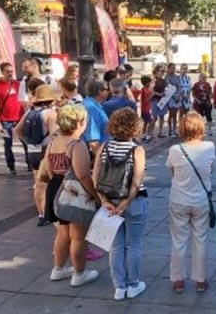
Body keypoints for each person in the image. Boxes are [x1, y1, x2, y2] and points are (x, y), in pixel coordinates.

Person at [36, 104, 100, 287]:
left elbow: (48, 170)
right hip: (74, 193)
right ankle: (80, 273)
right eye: (85, 120)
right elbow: (83, 175)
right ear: (79, 122)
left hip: (55, 189)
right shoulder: (76, 144)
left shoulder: (53, 142)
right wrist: (95, 195)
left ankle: (58, 268)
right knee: (78, 237)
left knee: (63, 234)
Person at [92, 108, 148, 300]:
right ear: (135, 128)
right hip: (134, 201)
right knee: (133, 245)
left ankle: (119, 287)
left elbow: (95, 177)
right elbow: (136, 181)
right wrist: (125, 203)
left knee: (116, 246)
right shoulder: (137, 150)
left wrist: (104, 201)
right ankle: (133, 284)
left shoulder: (105, 147)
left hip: (110, 199)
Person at [166, 112, 216, 293]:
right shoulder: (209, 147)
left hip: (179, 198)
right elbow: (210, 169)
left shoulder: (175, 150)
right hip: (201, 199)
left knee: (178, 240)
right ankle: (200, 280)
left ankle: (178, 280)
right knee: (200, 239)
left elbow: (172, 171)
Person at [15, 84, 59, 226]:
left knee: (38, 184)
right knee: (49, 182)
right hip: (45, 150)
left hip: (32, 151)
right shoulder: (50, 114)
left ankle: (41, 213)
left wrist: (28, 142)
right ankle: (49, 212)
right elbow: (54, 136)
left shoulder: (29, 112)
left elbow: (17, 130)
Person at [0, 63, 26, 174]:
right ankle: (11, 166)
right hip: (5, 120)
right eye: (8, 71)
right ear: (2, 72)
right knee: (8, 143)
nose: (10, 74)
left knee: (25, 141)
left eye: (11, 71)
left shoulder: (18, 84)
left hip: (20, 117)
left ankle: (30, 163)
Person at [82, 80, 110, 154]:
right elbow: (93, 142)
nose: (109, 92)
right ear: (99, 91)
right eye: (107, 89)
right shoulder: (92, 109)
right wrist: (102, 160)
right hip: (97, 154)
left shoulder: (91, 105)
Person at [149, 65, 169, 138]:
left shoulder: (163, 81)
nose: (163, 73)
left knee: (162, 116)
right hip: (155, 100)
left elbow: (167, 89)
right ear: (157, 71)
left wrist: (166, 93)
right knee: (154, 117)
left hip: (162, 100)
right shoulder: (154, 80)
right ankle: (150, 133)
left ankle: (160, 132)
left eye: (164, 71)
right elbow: (151, 90)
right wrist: (159, 94)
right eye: (161, 71)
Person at [165, 63, 182, 137]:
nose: (173, 70)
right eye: (171, 68)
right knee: (171, 114)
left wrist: (178, 95)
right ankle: (170, 130)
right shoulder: (167, 77)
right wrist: (174, 96)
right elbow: (168, 87)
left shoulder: (177, 77)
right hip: (170, 97)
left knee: (175, 114)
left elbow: (179, 86)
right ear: (168, 68)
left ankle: (175, 130)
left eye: (174, 68)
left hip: (177, 97)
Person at [138, 75, 154, 141]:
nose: (150, 84)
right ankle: (147, 135)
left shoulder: (146, 89)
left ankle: (143, 134)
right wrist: (152, 94)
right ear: (146, 83)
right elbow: (147, 100)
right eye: (149, 82)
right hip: (146, 108)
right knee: (150, 122)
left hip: (146, 108)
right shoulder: (145, 90)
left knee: (145, 122)